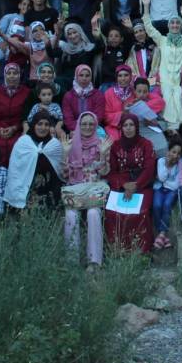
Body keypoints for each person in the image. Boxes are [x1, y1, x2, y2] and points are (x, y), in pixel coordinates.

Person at [59, 111, 111, 268]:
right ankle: (71, 262)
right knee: (70, 215)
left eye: (91, 124)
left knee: (93, 213)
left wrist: (102, 155)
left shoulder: (102, 143)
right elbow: (64, 175)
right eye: (84, 124)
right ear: (78, 126)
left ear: (95, 125)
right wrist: (65, 154)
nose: (87, 127)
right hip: (75, 189)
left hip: (94, 189)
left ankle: (94, 262)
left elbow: (104, 172)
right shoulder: (71, 144)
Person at [106, 113, 156, 253]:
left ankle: (141, 253)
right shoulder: (115, 146)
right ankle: (117, 251)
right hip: (121, 186)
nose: (128, 128)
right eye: (125, 125)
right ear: (121, 128)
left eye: (131, 125)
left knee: (141, 212)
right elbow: (112, 172)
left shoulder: (146, 144)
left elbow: (149, 168)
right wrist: (123, 185)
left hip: (142, 186)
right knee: (111, 213)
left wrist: (136, 185)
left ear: (136, 126)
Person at [141, 0, 182, 126]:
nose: (175, 25)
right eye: (172, 23)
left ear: (180, 26)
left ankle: (173, 129)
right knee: (168, 99)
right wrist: (146, 7)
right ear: (168, 26)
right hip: (164, 80)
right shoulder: (162, 40)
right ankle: (171, 129)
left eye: (177, 23)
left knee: (177, 97)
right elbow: (149, 28)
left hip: (179, 81)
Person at [5, 112, 64, 211]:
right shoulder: (23, 142)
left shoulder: (55, 144)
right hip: (27, 186)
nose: (43, 127)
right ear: (34, 125)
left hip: (49, 187)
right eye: (40, 124)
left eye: (46, 124)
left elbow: (60, 171)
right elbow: (15, 169)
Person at [0, 63, 30, 166]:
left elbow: (27, 116)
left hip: (18, 130)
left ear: (19, 75)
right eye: (9, 73)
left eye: (15, 73)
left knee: (16, 145)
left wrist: (14, 128)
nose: (11, 76)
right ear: (5, 75)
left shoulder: (26, 92)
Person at [152, 138, 182, 250]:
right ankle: (163, 236)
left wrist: (166, 182)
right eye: (173, 152)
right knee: (157, 205)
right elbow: (161, 177)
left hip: (171, 192)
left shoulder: (179, 165)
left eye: (179, 153)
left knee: (167, 205)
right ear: (168, 152)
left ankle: (162, 234)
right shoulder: (161, 161)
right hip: (159, 189)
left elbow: (176, 185)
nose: (176, 155)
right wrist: (167, 165)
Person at [62, 64, 106, 132]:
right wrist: (79, 130)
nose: (84, 78)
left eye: (87, 76)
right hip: (74, 130)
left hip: (93, 129)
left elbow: (98, 116)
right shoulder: (68, 96)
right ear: (76, 76)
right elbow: (68, 119)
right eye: (81, 75)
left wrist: (88, 128)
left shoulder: (98, 95)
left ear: (91, 77)